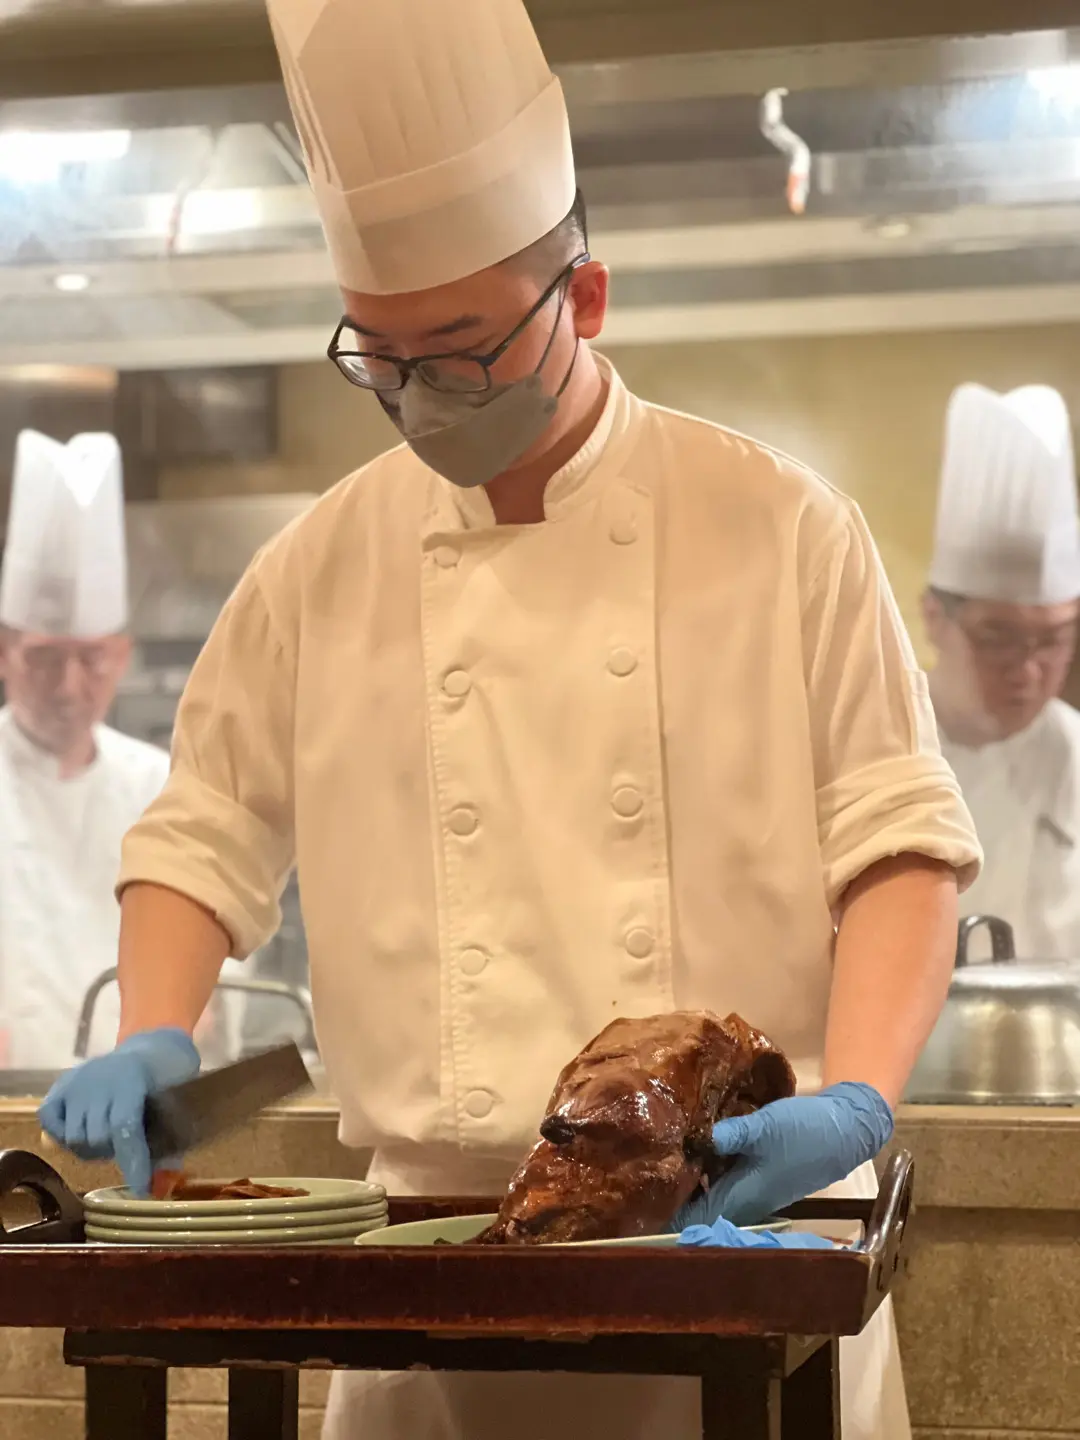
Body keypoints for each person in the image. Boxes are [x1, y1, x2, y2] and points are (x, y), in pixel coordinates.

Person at [40, 3, 981, 1437]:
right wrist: (154, 1030)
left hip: (734, 1254)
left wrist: (855, 1096)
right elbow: (201, 833)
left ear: (583, 299)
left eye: (464, 351)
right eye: (385, 361)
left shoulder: (783, 528)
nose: (425, 398)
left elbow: (898, 842)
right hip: (425, 1274)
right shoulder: (317, 567)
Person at [0, 430, 170, 1068]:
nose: (69, 688)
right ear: (5, 652)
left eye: (92, 659)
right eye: (45, 659)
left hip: (140, 1104)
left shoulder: (161, 786)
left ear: (122, 655)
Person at [923, 383, 1080, 957]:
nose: (1030, 671)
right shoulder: (879, 749)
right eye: (999, 639)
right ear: (935, 618)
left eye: (1054, 640)